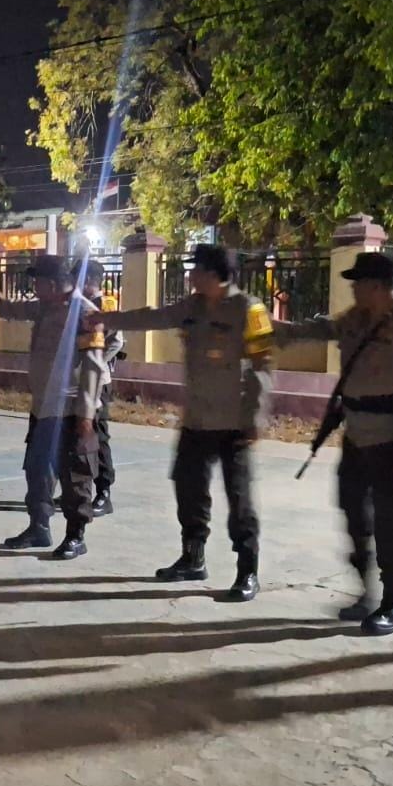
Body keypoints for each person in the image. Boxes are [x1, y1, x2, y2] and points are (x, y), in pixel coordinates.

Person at [273, 251, 393, 635]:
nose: (352, 289)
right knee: (355, 514)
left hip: (392, 440)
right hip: (355, 436)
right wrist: (279, 330)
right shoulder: (355, 319)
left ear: (377, 286)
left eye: (358, 283)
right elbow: (321, 328)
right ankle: (367, 592)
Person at [91, 244, 272, 600]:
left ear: (213, 273)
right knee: (188, 488)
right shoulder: (193, 307)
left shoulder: (249, 310)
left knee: (239, 499)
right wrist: (108, 319)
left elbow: (263, 367)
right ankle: (193, 558)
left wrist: (254, 416)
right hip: (197, 419)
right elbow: (152, 317)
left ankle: (247, 571)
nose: (190, 275)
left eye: (196, 269)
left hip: (234, 421)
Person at [0, 254, 108, 560]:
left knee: (75, 476)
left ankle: (75, 536)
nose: (34, 288)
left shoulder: (85, 314)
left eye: (38, 282)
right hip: (43, 407)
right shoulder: (45, 306)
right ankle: (38, 527)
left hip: (71, 410)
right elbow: (20, 310)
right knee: (38, 470)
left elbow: (93, 368)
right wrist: (2, 305)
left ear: (54, 284)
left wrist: (86, 415)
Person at [77, 259, 123, 517]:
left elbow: (116, 342)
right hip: (77, 381)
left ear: (87, 280)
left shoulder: (106, 305)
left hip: (98, 382)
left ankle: (104, 491)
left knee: (98, 436)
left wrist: (95, 363)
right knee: (79, 436)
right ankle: (79, 486)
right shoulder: (77, 305)